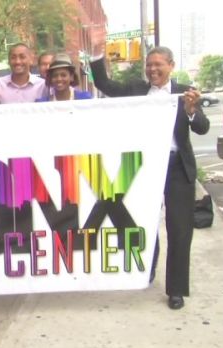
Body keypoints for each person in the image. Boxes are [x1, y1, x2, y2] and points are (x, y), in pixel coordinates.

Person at [89, 27, 210, 310]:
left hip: (177, 167)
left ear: (171, 66)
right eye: (149, 65)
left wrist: (192, 110)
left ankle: (176, 290)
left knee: (180, 229)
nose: (153, 69)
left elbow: (203, 127)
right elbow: (105, 84)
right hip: (145, 167)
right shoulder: (135, 89)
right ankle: (146, 271)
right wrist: (96, 53)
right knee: (144, 223)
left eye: (158, 64)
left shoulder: (185, 93)